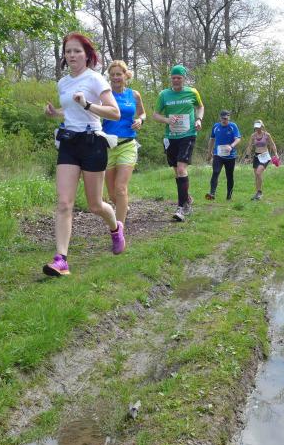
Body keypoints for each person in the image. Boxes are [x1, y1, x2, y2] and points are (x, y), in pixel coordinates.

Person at [42, 33, 124, 277]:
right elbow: (71, 110)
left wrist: (88, 104)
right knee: (64, 202)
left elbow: (115, 113)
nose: (72, 55)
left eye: (77, 51)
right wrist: (55, 112)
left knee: (95, 205)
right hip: (69, 142)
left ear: (87, 55)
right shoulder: (63, 83)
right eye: (68, 51)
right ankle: (61, 260)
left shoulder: (95, 79)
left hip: (92, 142)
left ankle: (115, 227)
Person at [152, 65, 205, 222]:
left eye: (179, 78)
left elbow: (200, 106)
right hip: (171, 137)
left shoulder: (192, 92)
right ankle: (186, 198)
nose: (176, 80)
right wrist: (167, 120)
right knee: (177, 172)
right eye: (173, 78)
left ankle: (181, 207)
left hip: (188, 134)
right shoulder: (164, 95)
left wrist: (199, 119)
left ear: (184, 78)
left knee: (182, 169)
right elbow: (155, 115)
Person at [103, 60, 146, 224]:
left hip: (128, 144)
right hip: (108, 146)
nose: (115, 77)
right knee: (112, 193)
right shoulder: (104, 95)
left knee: (120, 188)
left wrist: (140, 120)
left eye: (118, 74)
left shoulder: (134, 95)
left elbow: (142, 113)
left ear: (125, 75)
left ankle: (118, 229)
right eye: (112, 74)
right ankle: (123, 207)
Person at [205, 110, 242, 201]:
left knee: (229, 176)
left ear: (229, 118)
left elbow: (238, 139)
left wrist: (231, 146)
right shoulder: (216, 126)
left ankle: (229, 196)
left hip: (230, 156)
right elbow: (212, 139)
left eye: (226, 119)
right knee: (215, 172)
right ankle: (212, 193)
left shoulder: (233, 126)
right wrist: (209, 152)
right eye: (222, 118)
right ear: (220, 118)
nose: (224, 120)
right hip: (218, 155)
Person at [244, 120, 279, 200]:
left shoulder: (267, 135)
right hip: (257, 156)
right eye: (256, 127)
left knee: (258, 172)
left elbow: (272, 144)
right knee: (256, 176)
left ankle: (260, 193)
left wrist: (276, 154)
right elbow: (249, 146)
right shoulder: (253, 136)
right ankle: (257, 194)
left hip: (265, 156)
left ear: (262, 126)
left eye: (259, 127)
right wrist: (247, 156)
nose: (257, 129)